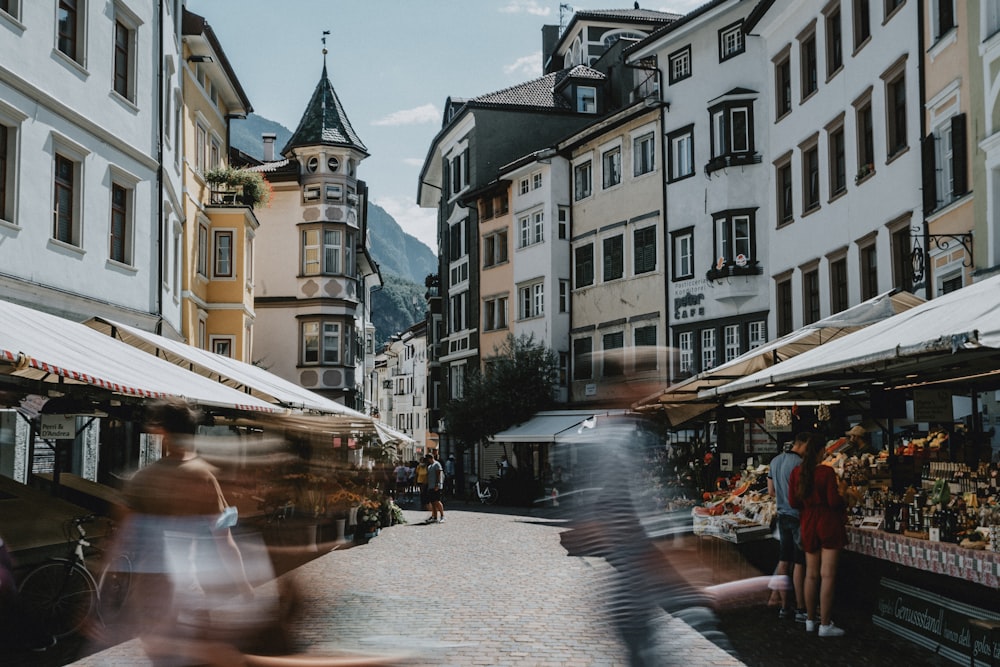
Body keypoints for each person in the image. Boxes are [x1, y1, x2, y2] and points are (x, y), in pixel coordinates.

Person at [109, 396, 283, 663]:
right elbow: (225, 540)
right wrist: (245, 586)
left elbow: (123, 538)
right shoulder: (204, 476)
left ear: (161, 432)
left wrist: (105, 595)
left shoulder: (143, 478)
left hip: (149, 595)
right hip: (187, 591)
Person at [789, 433, 848, 638]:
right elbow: (833, 502)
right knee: (827, 575)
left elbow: (793, 503)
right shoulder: (826, 472)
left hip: (807, 523)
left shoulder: (796, 473)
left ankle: (810, 621)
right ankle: (825, 624)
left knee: (810, 575)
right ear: (822, 451)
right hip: (828, 523)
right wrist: (844, 497)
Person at [766, 434, 808, 623]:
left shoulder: (774, 462)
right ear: (802, 444)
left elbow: (770, 492)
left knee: (784, 561)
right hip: (798, 517)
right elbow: (803, 492)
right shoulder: (800, 464)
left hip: (782, 516)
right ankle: (801, 608)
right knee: (799, 562)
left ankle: (784, 607)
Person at [424, 451, 445, 523]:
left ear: (430, 458)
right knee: (432, 502)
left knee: (437, 501)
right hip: (431, 486)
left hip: (436, 486)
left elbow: (438, 474)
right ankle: (435, 516)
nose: (427, 461)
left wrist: (437, 484)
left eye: (427, 459)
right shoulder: (430, 466)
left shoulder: (437, 464)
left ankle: (442, 516)